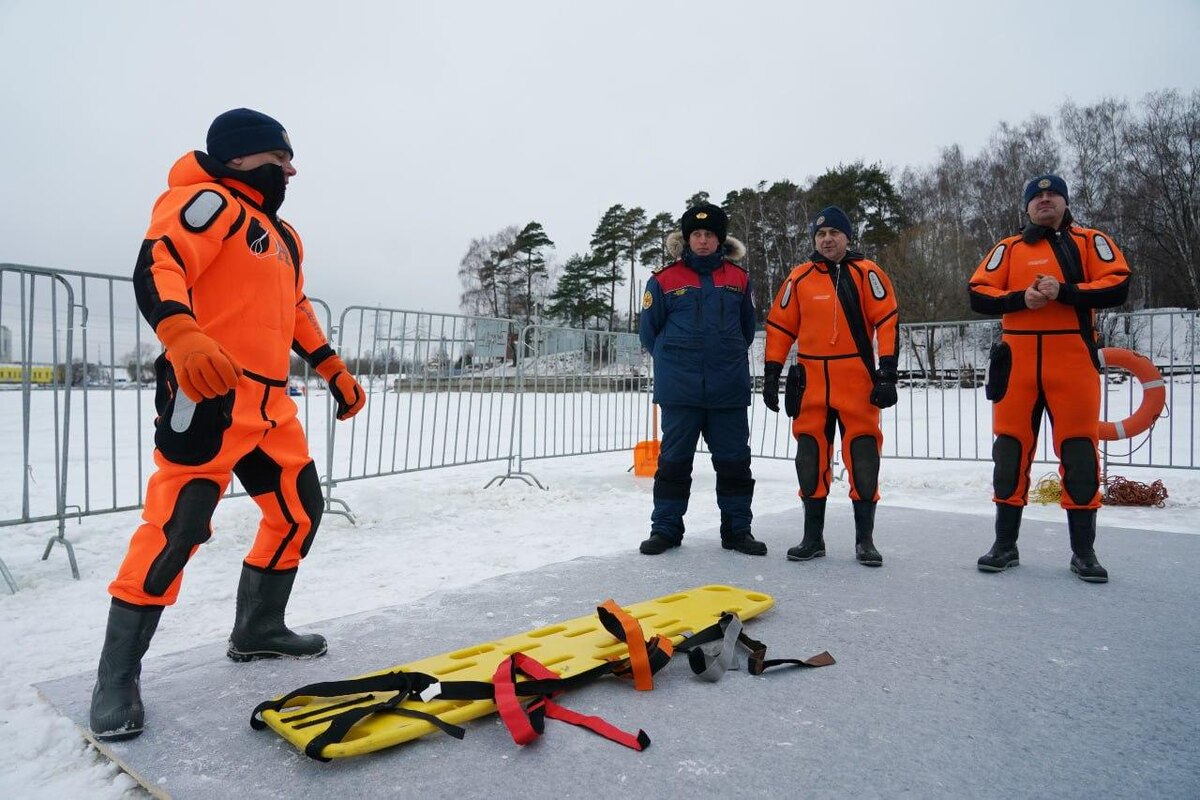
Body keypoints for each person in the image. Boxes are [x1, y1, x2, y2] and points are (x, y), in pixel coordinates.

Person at [89, 108, 366, 741]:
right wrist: (181, 332)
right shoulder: (206, 203)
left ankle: (258, 629)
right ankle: (116, 676)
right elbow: (161, 262)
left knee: (298, 512)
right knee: (177, 526)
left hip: (272, 406)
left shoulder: (284, 235)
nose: (290, 170)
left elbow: (295, 311)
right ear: (241, 158)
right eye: (279, 158)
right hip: (209, 393)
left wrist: (334, 370)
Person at [968, 175, 1130, 583]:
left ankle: (1084, 553)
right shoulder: (1008, 248)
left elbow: (1118, 286)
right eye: (1036, 196)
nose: (1044, 200)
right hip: (1017, 363)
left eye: (1051, 194)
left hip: (1072, 361)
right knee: (1009, 454)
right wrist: (1020, 298)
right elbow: (977, 294)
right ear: (1026, 207)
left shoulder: (1089, 241)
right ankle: (1004, 545)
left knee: (1078, 454)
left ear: (1064, 201)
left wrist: (1066, 292)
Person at [763, 206, 899, 566]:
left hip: (856, 381)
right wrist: (772, 374)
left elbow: (887, 321)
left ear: (847, 237)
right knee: (809, 457)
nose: (827, 240)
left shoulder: (867, 272)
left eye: (834, 234)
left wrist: (887, 372)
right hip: (811, 384)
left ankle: (865, 541)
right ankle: (812, 538)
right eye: (820, 235)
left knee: (864, 457)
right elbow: (780, 326)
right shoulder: (800, 277)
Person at [638, 203, 765, 556]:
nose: (704, 240)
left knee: (735, 463)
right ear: (687, 238)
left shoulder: (739, 280)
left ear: (720, 239)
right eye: (697, 234)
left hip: (727, 390)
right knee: (674, 463)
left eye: (710, 234)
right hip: (680, 392)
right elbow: (649, 334)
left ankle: (738, 531)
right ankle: (665, 529)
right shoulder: (663, 280)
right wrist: (676, 361)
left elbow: (746, 330)